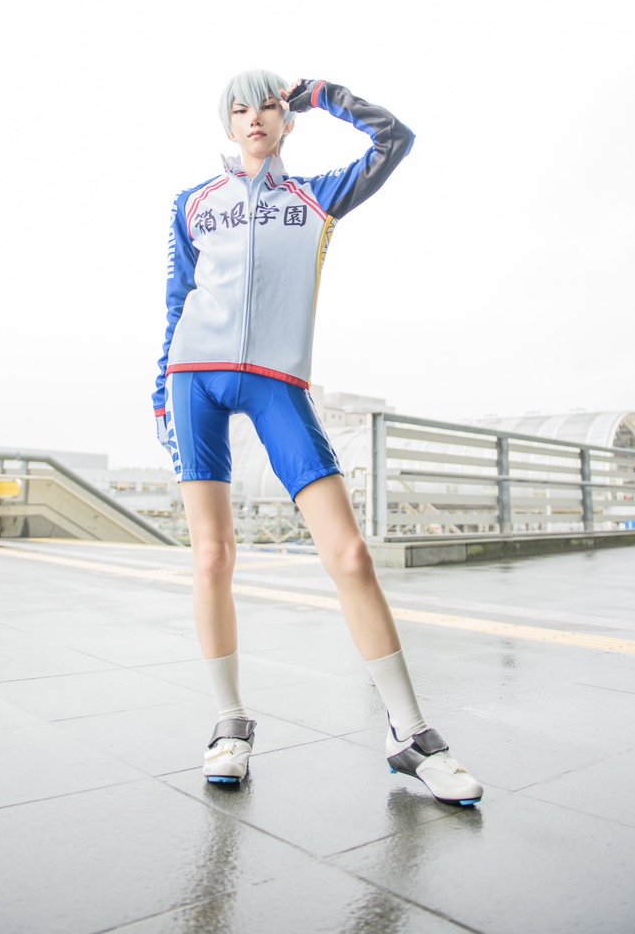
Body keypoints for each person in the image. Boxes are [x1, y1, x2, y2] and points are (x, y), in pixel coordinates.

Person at [152, 71, 482, 807]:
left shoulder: (316, 198)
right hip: (192, 379)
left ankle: (409, 733)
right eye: (240, 109)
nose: (253, 118)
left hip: (277, 380)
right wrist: (158, 396)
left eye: (268, 105)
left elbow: (395, 139)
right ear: (228, 125)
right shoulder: (191, 204)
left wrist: (323, 93)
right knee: (212, 555)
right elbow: (176, 302)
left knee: (350, 553)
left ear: (286, 118)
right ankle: (229, 723)